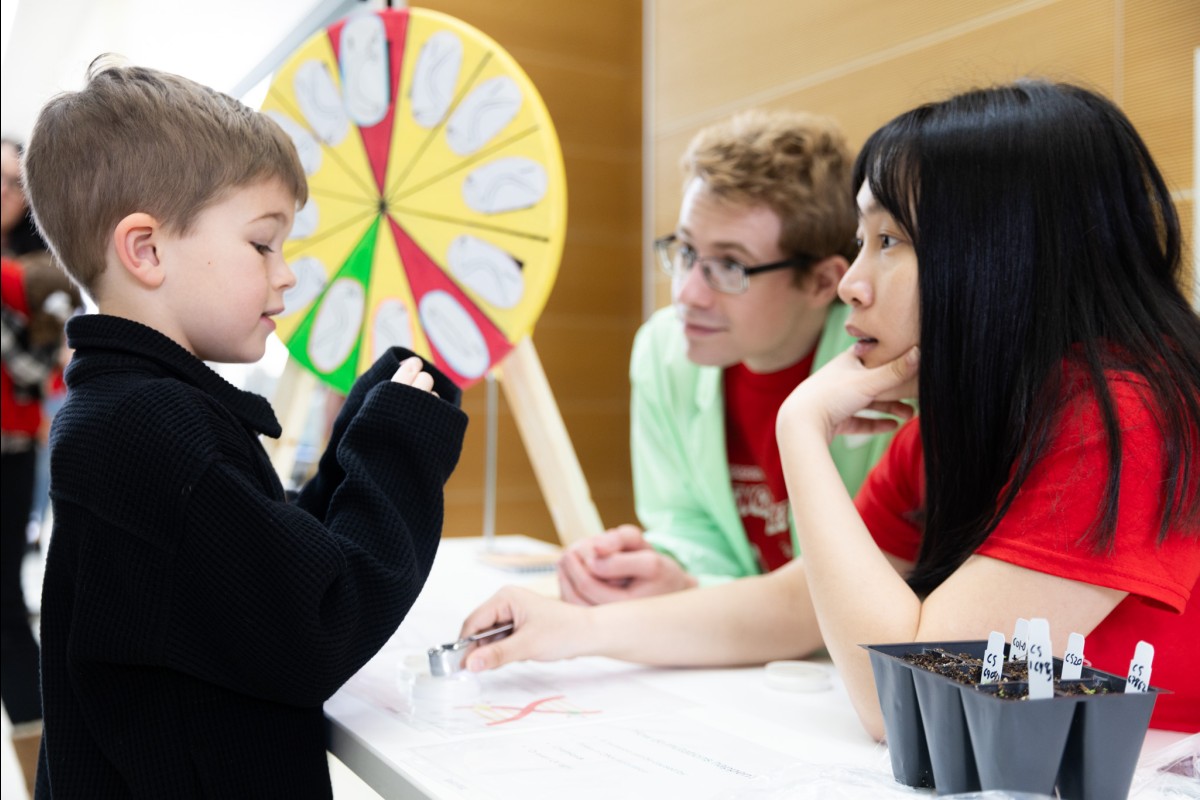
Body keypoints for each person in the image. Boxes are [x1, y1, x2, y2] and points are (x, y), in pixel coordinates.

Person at [459, 80, 1200, 735]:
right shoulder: (965, 422)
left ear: (1002, 258)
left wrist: (801, 430)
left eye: (889, 240)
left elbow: (911, 698)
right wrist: (577, 629)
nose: (853, 282)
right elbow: (792, 606)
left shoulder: (1121, 419)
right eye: (860, 239)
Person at [22, 57, 469, 797]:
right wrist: (394, 451)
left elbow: (265, 574)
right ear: (147, 250)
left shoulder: (133, 411)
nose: (285, 271)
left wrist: (357, 427)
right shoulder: (151, 427)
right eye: (262, 243)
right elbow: (320, 621)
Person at [557, 110, 894, 605]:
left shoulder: (888, 373)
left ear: (824, 282)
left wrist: (696, 596)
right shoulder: (664, 349)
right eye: (688, 252)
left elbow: (870, 580)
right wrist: (668, 575)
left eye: (730, 266)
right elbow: (685, 527)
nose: (688, 294)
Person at [1, 249, 80, 794]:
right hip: (17, 443)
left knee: (5, 607)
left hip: (13, 448)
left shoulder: (22, 279)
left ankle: (45, 773)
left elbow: (29, 368)